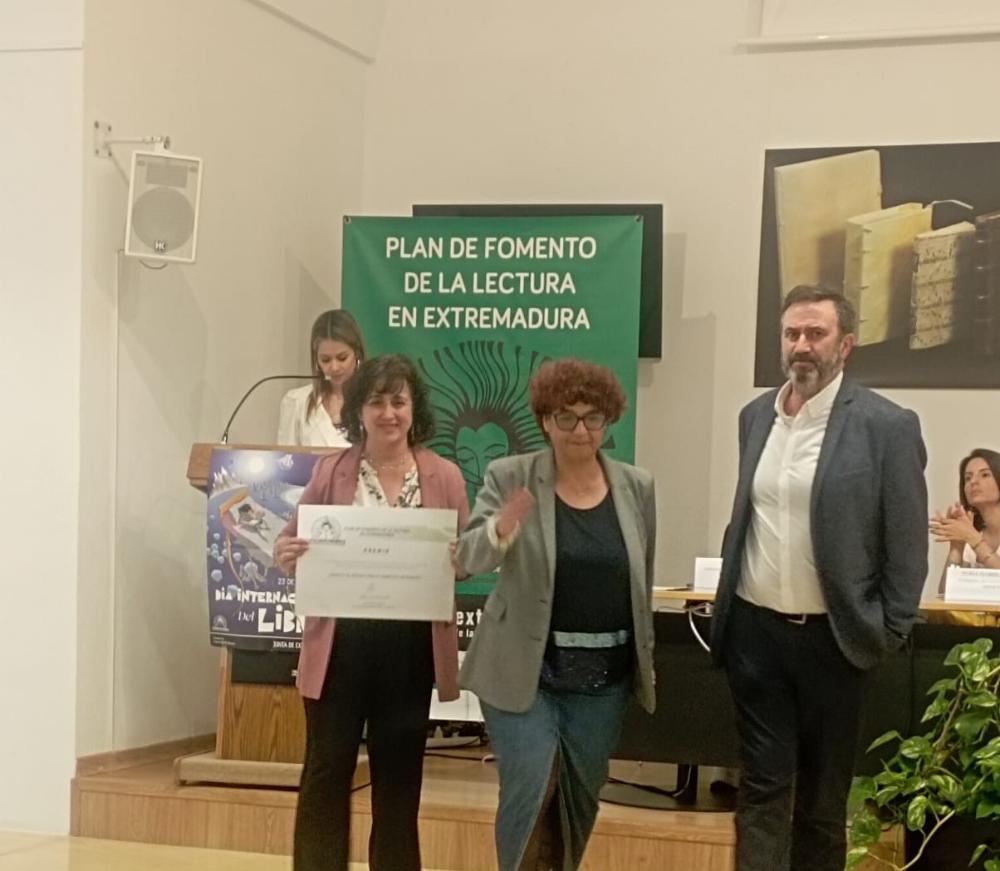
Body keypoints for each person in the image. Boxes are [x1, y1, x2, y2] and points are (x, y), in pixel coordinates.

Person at [710, 285, 928, 871]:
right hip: (756, 635)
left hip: (836, 641)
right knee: (761, 791)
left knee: (822, 806)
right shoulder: (755, 417)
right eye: (791, 334)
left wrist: (887, 630)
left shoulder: (887, 426)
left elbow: (907, 543)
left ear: (845, 345)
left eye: (815, 333)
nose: (801, 345)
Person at [457, 357, 657, 871]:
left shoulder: (637, 487)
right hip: (524, 674)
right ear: (545, 420)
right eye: (566, 417)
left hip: (603, 682)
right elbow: (466, 557)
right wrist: (499, 530)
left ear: (608, 421)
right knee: (533, 786)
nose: (580, 430)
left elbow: (640, 578)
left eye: (593, 417)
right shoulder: (511, 476)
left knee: (577, 802)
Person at [273, 354, 470, 871]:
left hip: (409, 652)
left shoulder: (445, 476)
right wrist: (287, 553)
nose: (388, 413)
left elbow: (468, 559)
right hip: (338, 649)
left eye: (398, 401)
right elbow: (288, 542)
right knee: (325, 775)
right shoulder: (331, 471)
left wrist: (462, 558)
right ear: (358, 409)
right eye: (376, 401)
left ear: (414, 408)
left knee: (399, 784)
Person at [929, 449, 1000, 626]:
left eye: (985, 475)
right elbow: (945, 595)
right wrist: (957, 547)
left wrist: (975, 540)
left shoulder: (973, 536)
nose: (973, 482)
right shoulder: (972, 534)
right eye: (967, 478)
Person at [277, 309, 366, 447]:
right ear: (316, 360)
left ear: (357, 353)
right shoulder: (297, 402)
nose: (334, 367)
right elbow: (286, 457)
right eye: (326, 360)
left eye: (342, 358)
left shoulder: (374, 400)